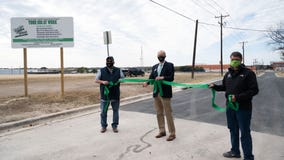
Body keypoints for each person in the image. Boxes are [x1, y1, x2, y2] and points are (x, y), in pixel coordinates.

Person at [209, 51, 259, 160]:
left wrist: (238, 97)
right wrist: (214, 86)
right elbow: (224, 87)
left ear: (241, 60)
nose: (234, 61)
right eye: (232, 59)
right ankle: (235, 151)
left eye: (236, 59)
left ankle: (248, 157)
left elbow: (254, 90)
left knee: (245, 132)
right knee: (233, 129)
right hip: (230, 107)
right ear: (230, 60)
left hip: (243, 108)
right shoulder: (228, 74)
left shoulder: (248, 73)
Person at [143, 50, 176, 141]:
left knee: (168, 113)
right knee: (159, 113)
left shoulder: (170, 65)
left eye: (162, 55)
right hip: (156, 93)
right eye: (159, 56)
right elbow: (151, 78)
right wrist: (147, 82)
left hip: (165, 93)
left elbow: (171, 77)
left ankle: (172, 133)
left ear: (165, 56)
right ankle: (162, 131)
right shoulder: (154, 67)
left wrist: (162, 77)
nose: (160, 57)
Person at [95, 56, 124, 133]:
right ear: (106, 62)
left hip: (115, 94)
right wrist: (103, 82)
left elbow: (123, 79)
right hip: (105, 95)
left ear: (114, 62)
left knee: (115, 111)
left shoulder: (118, 70)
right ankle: (103, 126)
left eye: (110, 62)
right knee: (103, 112)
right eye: (107, 62)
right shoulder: (101, 70)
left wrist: (120, 80)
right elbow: (96, 80)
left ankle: (115, 126)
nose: (109, 63)